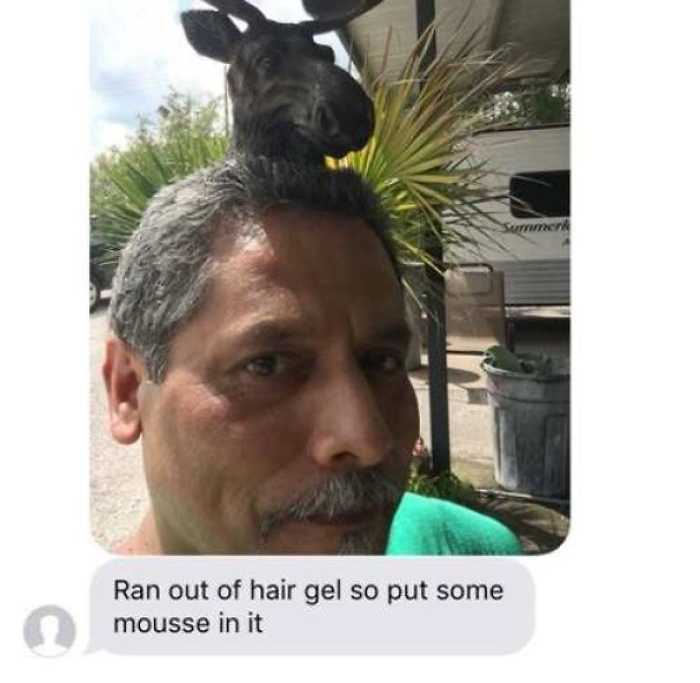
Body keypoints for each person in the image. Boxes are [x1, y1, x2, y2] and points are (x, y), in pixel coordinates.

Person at [103, 156, 520, 556]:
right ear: (127, 388)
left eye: (382, 362)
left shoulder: (469, 552)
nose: (369, 440)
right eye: (267, 365)